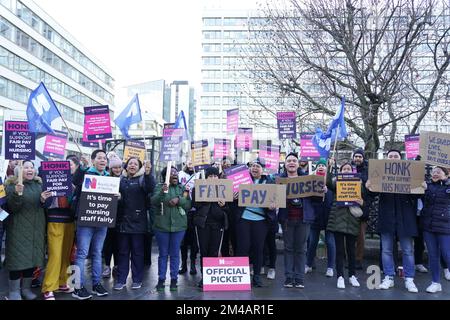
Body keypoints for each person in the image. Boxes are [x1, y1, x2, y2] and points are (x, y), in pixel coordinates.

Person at [366, 149, 420, 293]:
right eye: (390, 156)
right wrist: (369, 187)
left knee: (408, 250)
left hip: (405, 218)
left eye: (396, 156)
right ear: (386, 159)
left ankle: (409, 279)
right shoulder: (381, 175)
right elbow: (372, 193)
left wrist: (422, 187)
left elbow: (416, 196)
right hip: (387, 218)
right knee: (387, 250)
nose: (393, 158)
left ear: (400, 158)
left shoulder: (409, 175)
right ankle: (389, 277)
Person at [5, 161, 52, 300]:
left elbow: (44, 206)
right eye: (26, 167)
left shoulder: (39, 185)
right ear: (19, 171)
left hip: (36, 229)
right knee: (17, 259)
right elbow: (12, 208)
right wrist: (17, 194)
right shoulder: (11, 185)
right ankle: (14, 291)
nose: (29, 170)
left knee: (31, 260)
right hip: (18, 228)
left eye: (32, 167)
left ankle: (25, 289)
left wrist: (43, 200)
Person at [278, 153, 325, 289]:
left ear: (298, 164)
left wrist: (322, 191)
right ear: (285, 164)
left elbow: (316, 200)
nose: (291, 163)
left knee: (301, 249)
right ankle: (288, 277)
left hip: (304, 219)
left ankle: (299, 278)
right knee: (288, 248)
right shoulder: (279, 180)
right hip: (287, 219)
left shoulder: (308, 179)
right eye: (289, 161)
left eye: (294, 160)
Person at [71, 150, 112, 299]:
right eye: (99, 158)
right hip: (86, 220)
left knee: (97, 253)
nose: (103, 160)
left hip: (102, 220)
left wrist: (117, 196)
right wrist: (83, 166)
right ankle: (77, 287)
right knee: (81, 253)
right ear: (93, 160)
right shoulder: (86, 173)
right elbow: (75, 181)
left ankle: (96, 284)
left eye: (105, 158)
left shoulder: (109, 177)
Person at [114, 158, 155, 290]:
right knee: (123, 252)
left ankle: (137, 279)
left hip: (138, 222)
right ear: (126, 166)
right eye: (130, 163)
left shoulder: (143, 179)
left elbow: (150, 188)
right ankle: (121, 279)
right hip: (122, 223)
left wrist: (148, 174)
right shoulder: (121, 179)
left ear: (139, 167)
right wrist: (118, 198)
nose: (132, 165)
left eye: (135, 164)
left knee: (137, 253)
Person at [235, 159, 276, 287]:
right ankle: (241, 276)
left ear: (262, 169)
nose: (254, 168)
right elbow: (232, 197)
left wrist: (272, 205)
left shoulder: (269, 181)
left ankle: (257, 276)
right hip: (244, 219)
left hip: (261, 220)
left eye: (257, 166)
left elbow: (275, 198)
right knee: (243, 247)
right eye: (252, 166)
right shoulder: (242, 181)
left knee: (258, 248)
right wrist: (234, 196)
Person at [41, 161, 77, 300]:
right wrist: (45, 197)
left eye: (71, 165)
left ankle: (62, 282)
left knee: (66, 254)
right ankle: (48, 287)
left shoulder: (73, 184)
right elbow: (45, 204)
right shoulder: (48, 183)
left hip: (69, 221)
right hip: (54, 220)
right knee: (55, 255)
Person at [152, 166, 191, 291]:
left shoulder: (182, 188)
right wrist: (162, 192)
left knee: (175, 254)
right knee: (163, 254)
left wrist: (179, 199)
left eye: (176, 173)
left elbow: (188, 205)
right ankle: (161, 280)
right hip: (161, 226)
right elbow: (153, 201)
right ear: (166, 176)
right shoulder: (159, 187)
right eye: (172, 173)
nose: (175, 175)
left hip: (179, 227)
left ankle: (174, 280)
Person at [327, 162, 364, 289]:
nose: (347, 170)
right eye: (344, 169)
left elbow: (365, 198)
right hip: (338, 219)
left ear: (353, 171)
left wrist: (362, 202)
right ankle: (340, 276)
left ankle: (352, 275)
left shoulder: (359, 183)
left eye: (349, 168)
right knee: (340, 251)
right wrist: (329, 167)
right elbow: (327, 181)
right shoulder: (336, 183)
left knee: (351, 251)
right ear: (341, 171)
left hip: (352, 220)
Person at [192, 166, 229, 288]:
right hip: (203, 225)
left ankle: (211, 278)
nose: (213, 178)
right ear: (206, 177)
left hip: (217, 225)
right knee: (204, 251)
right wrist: (205, 199)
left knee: (214, 251)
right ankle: (204, 277)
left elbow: (228, 209)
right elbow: (194, 205)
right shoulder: (198, 188)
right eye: (210, 176)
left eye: (215, 176)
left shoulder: (224, 189)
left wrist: (223, 206)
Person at [421, 166, 450, 293]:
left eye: (438, 172)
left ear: (446, 174)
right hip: (428, 225)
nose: (435, 173)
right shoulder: (427, 186)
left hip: (444, 226)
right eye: (433, 171)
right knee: (433, 256)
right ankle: (435, 282)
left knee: (446, 254)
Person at [306, 158, 335, 277]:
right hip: (316, 216)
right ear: (316, 168)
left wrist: (327, 192)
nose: (321, 167)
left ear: (327, 168)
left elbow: (336, 193)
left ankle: (330, 267)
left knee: (330, 242)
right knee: (312, 241)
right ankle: (308, 264)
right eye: (319, 166)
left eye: (323, 165)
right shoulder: (312, 180)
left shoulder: (331, 180)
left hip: (329, 216)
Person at [102, 153, 122, 278]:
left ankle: (117, 266)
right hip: (107, 215)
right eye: (115, 167)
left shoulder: (124, 180)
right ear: (110, 168)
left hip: (120, 216)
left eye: (119, 167)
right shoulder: (105, 179)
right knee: (107, 243)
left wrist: (121, 197)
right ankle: (107, 266)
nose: (118, 170)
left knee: (118, 243)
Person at [178, 160, 199, 275]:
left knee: (194, 241)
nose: (191, 164)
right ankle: (184, 264)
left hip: (196, 212)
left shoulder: (201, 174)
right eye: (189, 162)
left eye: (193, 162)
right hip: (183, 211)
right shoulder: (180, 174)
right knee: (183, 241)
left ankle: (193, 265)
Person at [351, 148, 370, 270]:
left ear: (363, 158)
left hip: (362, 206)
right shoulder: (348, 169)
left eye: (360, 157)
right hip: (348, 206)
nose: (358, 158)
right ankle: (350, 259)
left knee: (360, 236)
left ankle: (358, 259)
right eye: (356, 156)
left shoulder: (368, 172)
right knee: (349, 236)